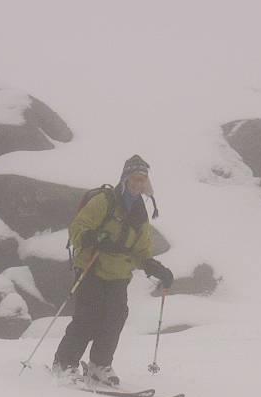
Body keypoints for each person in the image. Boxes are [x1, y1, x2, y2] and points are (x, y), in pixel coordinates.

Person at [52, 154, 173, 385]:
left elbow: (141, 251)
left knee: (115, 317)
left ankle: (99, 364)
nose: (139, 184)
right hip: (92, 267)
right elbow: (78, 227)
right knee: (87, 318)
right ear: (126, 178)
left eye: (143, 179)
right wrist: (94, 237)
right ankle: (64, 364)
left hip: (118, 274)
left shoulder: (140, 213)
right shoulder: (104, 201)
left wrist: (155, 267)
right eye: (135, 178)